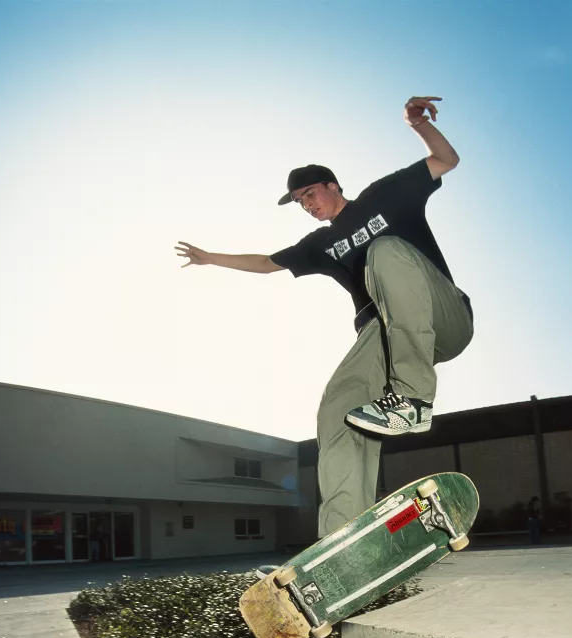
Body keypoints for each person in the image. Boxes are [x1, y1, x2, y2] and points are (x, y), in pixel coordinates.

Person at [174, 95, 473, 538]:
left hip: (444, 315)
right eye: (299, 202)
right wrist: (208, 258)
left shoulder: (385, 197)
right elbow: (265, 262)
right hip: (383, 335)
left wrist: (415, 124)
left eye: (309, 194)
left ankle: (413, 398)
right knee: (339, 406)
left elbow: (446, 159)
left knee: (386, 250)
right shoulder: (318, 245)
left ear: (332, 185)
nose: (307, 205)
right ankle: (345, 537)